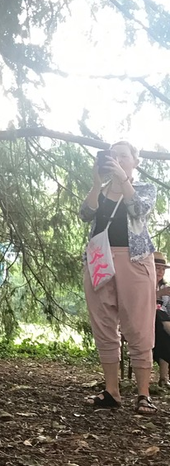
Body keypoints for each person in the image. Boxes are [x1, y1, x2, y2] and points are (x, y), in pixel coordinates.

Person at [80, 140, 157, 414]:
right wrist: (95, 183)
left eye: (123, 155)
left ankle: (144, 394)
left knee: (138, 325)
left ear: (135, 161)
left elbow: (138, 209)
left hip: (134, 260)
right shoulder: (101, 191)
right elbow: (85, 214)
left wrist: (123, 179)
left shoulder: (144, 189)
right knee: (103, 323)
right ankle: (111, 391)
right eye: (113, 155)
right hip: (99, 259)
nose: (117, 159)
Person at [152, 252, 170, 387]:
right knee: (158, 314)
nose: (160, 272)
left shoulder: (165, 287)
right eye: (157, 268)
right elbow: (140, 302)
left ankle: (163, 378)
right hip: (146, 319)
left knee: (164, 336)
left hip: (161, 325)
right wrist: (158, 294)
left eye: (163, 269)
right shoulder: (142, 284)